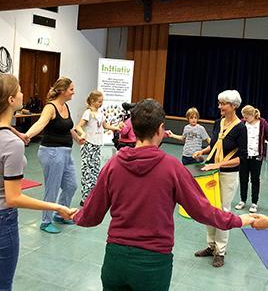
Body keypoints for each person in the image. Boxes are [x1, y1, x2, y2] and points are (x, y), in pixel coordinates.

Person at [72, 99, 253, 291]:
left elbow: (91, 216)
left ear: (133, 127)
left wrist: (74, 214)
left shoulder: (113, 165)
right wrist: (241, 220)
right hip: (153, 263)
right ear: (160, 128)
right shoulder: (172, 168)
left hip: (115, 260)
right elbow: (202, 211)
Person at [0, 74, 76, 291]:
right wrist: (56, 206)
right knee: (2, 286)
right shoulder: (11, 144)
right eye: (18, 90)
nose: (22, 93)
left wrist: (15, 133)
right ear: (10, 100)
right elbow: (13, 197)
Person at [193, 90, 247, 267]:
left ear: (234, 106)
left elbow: (242, 157)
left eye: (223, 104)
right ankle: (211, 246)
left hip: (228, 175)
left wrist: (218, 165)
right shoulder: (218, 123)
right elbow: (214, 144)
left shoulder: (241, 128)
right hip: (211, 173)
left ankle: (221, 251)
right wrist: (202, 151)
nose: (219, 107)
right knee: (209, 209)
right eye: (219, 103)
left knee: (223, 211)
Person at [25, 77, 84, 233]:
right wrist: (27, 136)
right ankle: (46, 221)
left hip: (66, 152)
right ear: (62, 91)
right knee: (52, 188)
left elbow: (68, 127)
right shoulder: (50, 108)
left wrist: (78, 139)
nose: (74, 92)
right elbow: (40, 123)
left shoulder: (65, 106)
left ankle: (60, 213)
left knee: (71, 185)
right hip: (51, 152)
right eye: (71, 89)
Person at [75, 90, 121, 206]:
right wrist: (83, 133)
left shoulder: (100, 114)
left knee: (95, 171)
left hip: (97, 145)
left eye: (102, 102)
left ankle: (92, 196)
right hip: (89, 145)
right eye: (99, 102)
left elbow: (105, 126)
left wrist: (117, 128)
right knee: (87, 171)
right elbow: (78, 126)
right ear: (92, 101)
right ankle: (85, 198)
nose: (101, 104)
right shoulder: (88, 113)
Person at [235, 105, 268, 213]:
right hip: (244, 156)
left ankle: (254, 203)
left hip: (257, 156)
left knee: (255, 180)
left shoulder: (262, 123)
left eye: (246, 117)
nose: (245, 119)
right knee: (243, 178)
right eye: (243, 117)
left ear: (252, 115)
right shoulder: (243, 123)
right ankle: (242, 200)